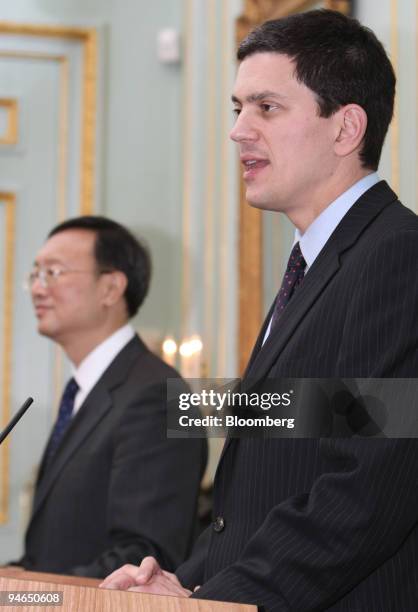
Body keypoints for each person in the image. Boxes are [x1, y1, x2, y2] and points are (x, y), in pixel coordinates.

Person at [100, 10, 418, 611]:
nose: (239, 131)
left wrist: (219, 601)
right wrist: (185, 583)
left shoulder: (397, 256)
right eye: (237, 108)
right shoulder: (316, 264)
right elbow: (270, 490)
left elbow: (367, 489)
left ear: (346, 128)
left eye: (266, 108)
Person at [17, 216, 207, 578]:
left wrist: (31, 596)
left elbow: (143, 559)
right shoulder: (83, 393)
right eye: (35, 275)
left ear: (111, 288)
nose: (38, 289)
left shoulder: (157, 397)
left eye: (53, 273)